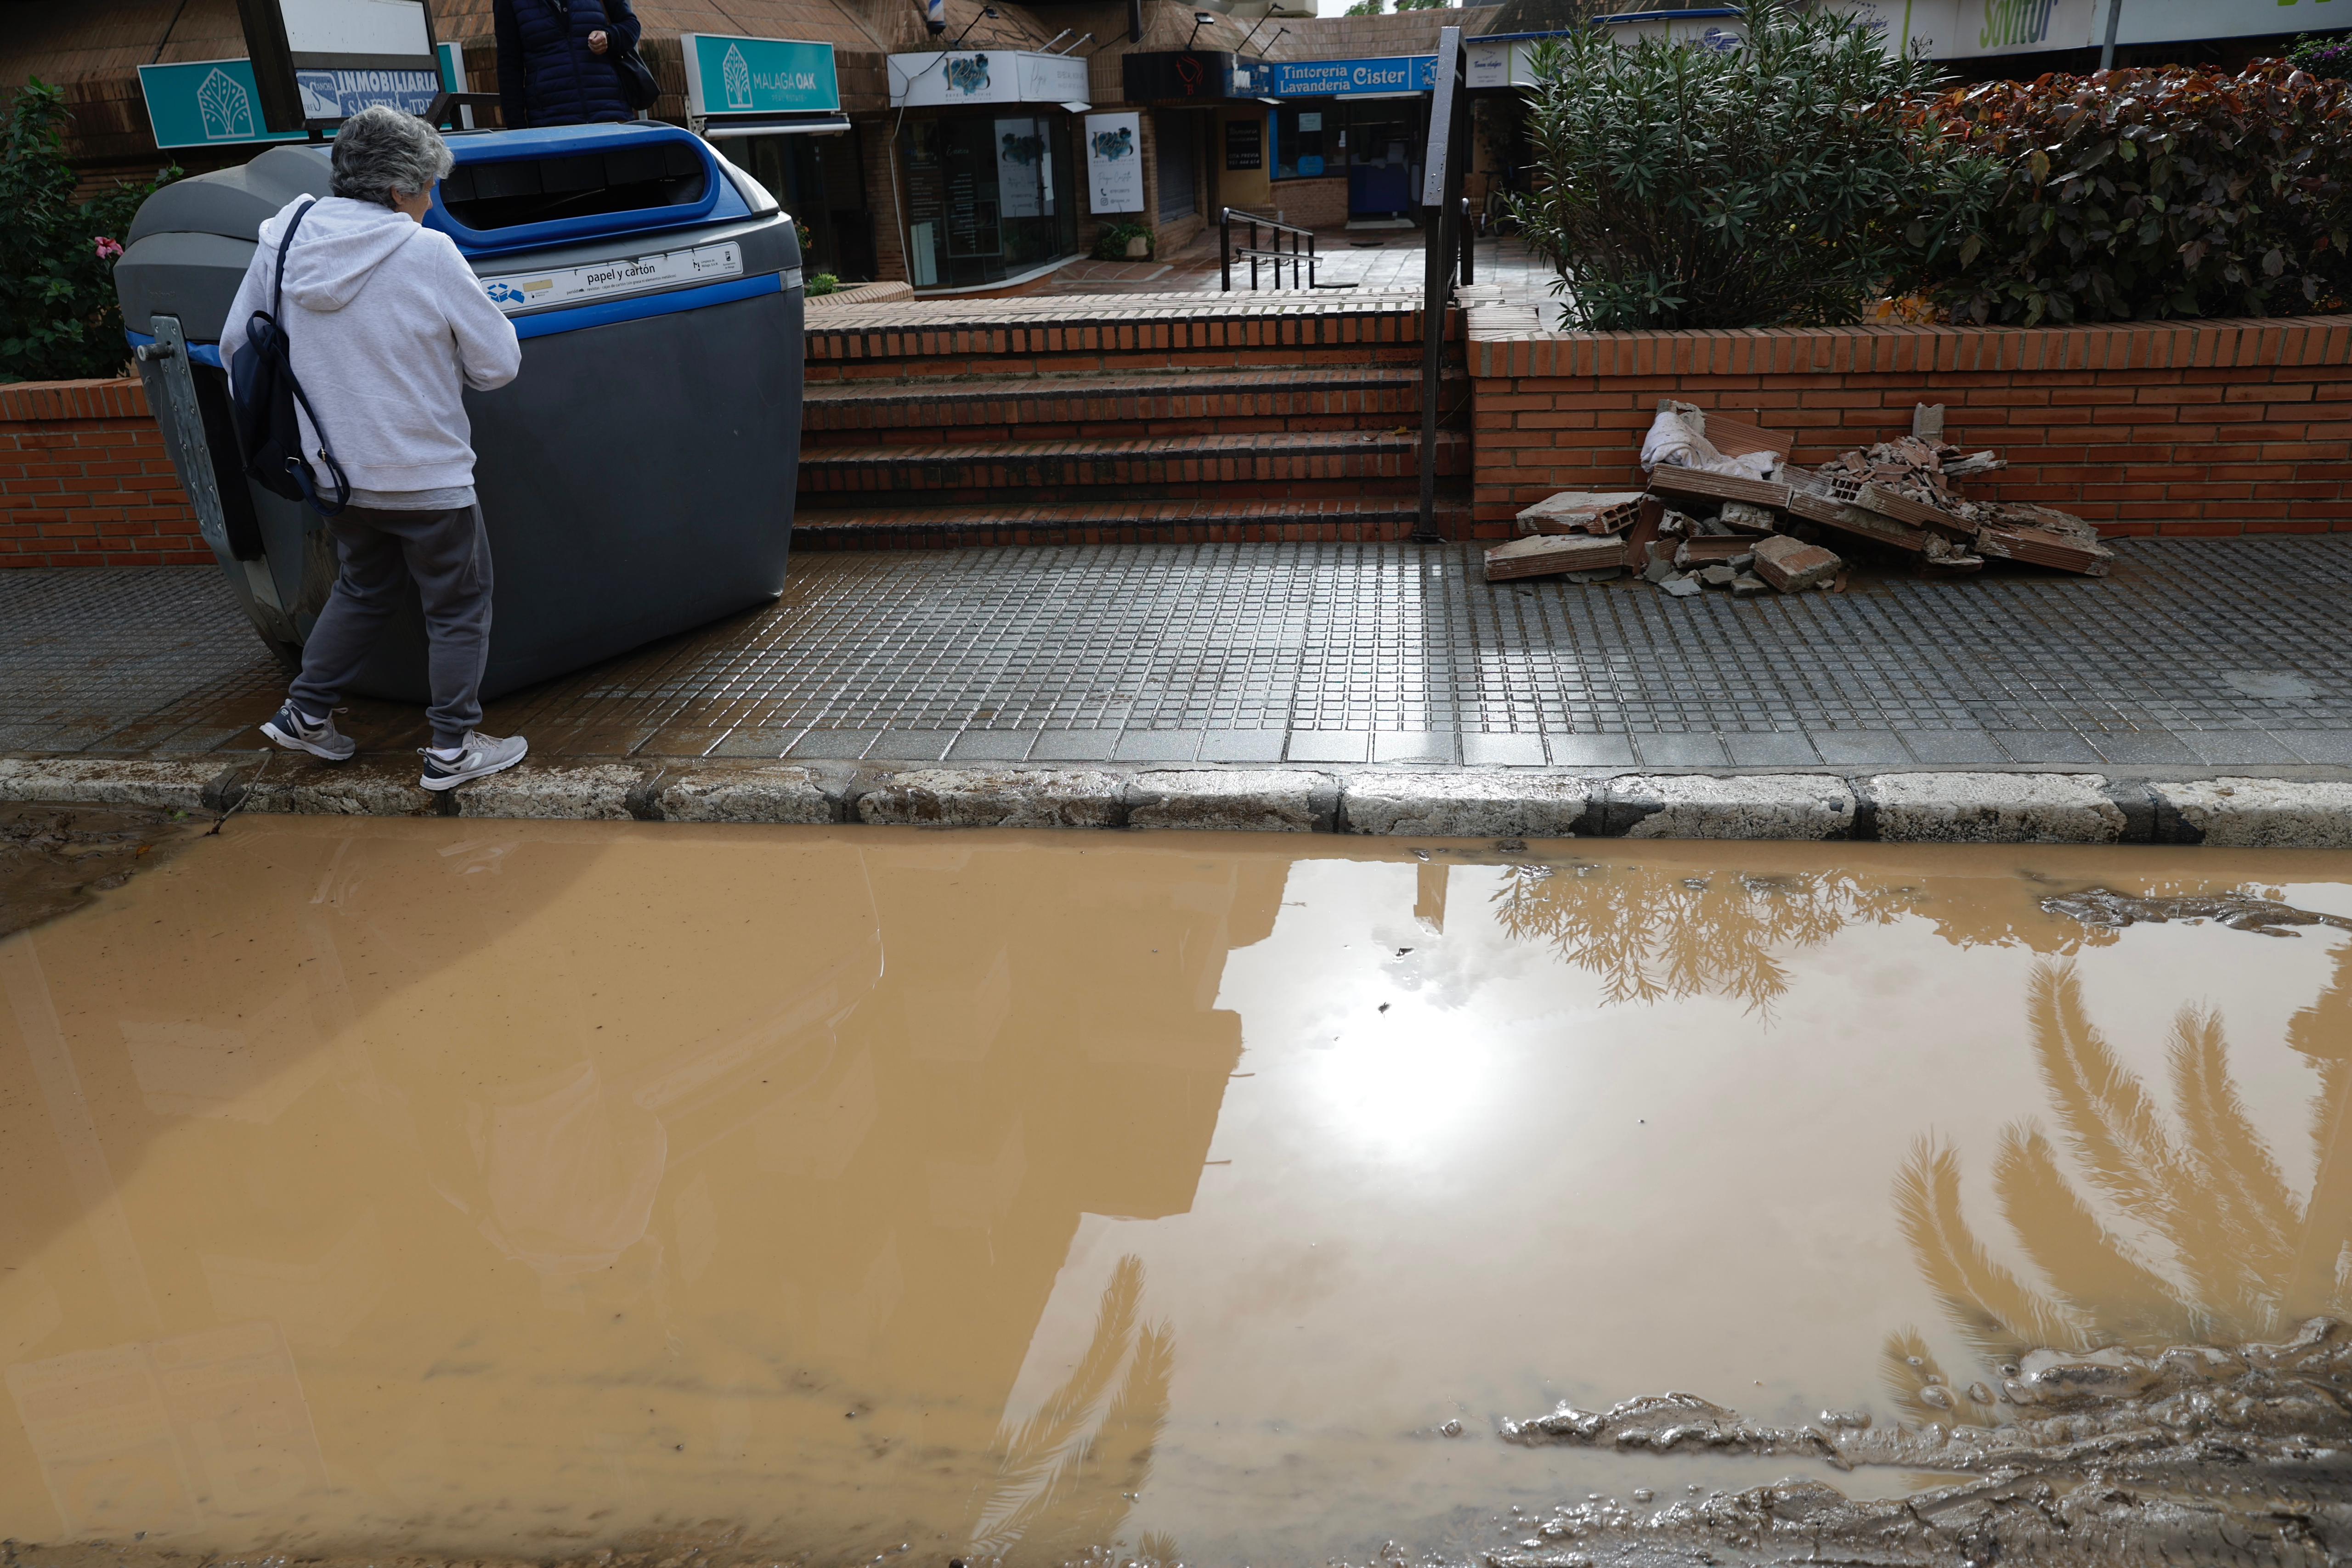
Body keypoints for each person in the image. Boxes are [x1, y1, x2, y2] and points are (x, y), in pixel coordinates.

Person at [223, 105, 529, 792]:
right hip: (427, 476)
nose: (430, 203)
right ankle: (451, 749)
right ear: (398, 190)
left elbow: (237, 346)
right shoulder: (427, 252)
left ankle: (305, 714)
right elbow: (498, 364)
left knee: (364, 587)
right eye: (427, 189)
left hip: (336, 477)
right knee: (456, 606)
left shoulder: (286, 237)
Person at [494, 0, 645, 129]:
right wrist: (518, 134)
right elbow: (509, 67)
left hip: (611, 118)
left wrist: (610, 37)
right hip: (552, 129)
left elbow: (631, 25)